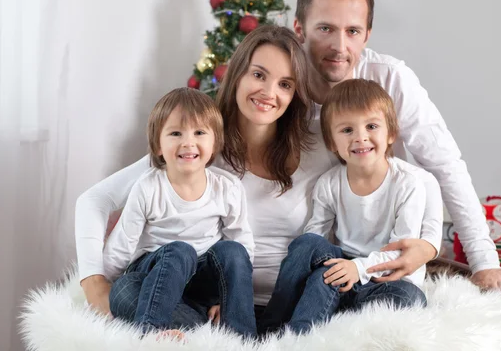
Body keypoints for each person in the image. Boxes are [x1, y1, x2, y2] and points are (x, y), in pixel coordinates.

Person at [74, 25, 336, 328]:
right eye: (259, 75)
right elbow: (94, 199)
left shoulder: (317, 143)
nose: (269, 93)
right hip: (185, 293)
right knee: (129, 293)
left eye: (285, 84)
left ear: (294, 94)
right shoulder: (197, 142)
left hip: (273, 306)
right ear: (237, 73)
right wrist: (93, 281)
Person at [293, 0, 501, 296]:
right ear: (299, 28)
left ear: (367, 34)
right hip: (317, 253)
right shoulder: (280, 83)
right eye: (325, 28)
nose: (339, 46)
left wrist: (484, 262)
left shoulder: (391, 79)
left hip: (383, 250)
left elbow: (445, 165)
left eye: (353, 31)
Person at [259, 79, 434, 334]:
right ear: (332, 143)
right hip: (342, 268)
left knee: (410, 298)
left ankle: (341, 318)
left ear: (391, 134)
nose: (360, 137)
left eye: (372, 126)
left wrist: (359, 268)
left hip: (385, 279)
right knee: (310, 249)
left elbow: (402, 251)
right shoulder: (329, 183)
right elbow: (316, 234)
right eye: (347, 130)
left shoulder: (408, 184)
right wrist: (336, 267)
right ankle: (282, 331)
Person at [103, 88, 256, 337]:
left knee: (234, 251)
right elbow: (122, 244)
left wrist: (223, 299)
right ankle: (152, 333)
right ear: (158, 146)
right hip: (154, 275)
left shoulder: (227, 188)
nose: (188, 142)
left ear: (214, 142)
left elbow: (242, 245)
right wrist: (101, 286)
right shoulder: (149, 187)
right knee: (176, 254)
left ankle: (239, 339)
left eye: (199, 133)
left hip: (200, 284)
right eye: (175, 133)